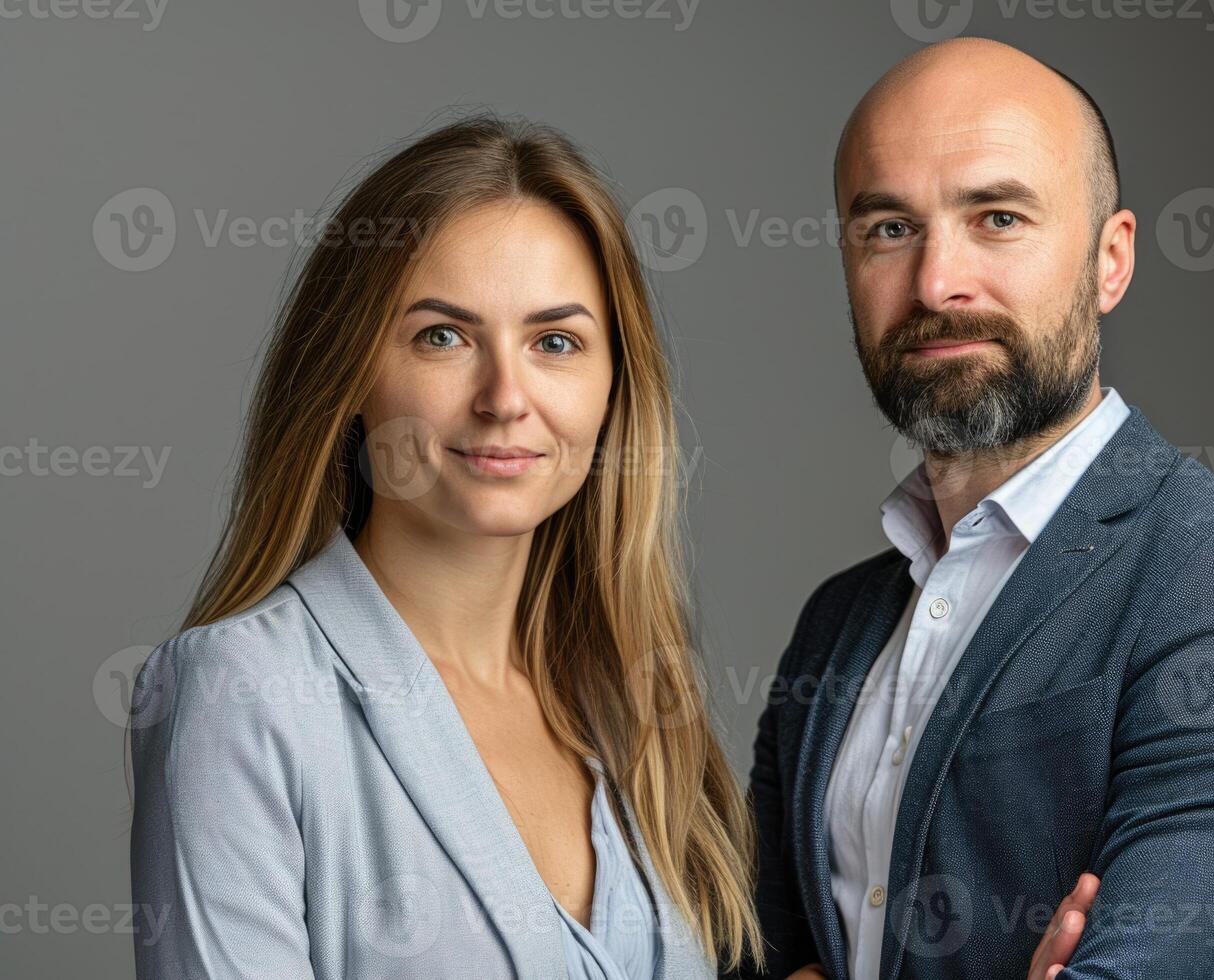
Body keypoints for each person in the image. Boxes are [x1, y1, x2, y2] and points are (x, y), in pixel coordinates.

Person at [744, 38, 1214, 980]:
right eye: (888, 229)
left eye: (997, 217)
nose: (934, 284)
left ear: (1110, 260)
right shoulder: (837, 625)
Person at [126, 114, 763, 980]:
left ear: (615, 385)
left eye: (555, 342)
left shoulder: (634, 709)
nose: (506, 397)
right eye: (443, 336)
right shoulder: (242, 696)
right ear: (352, 375)